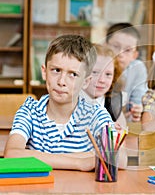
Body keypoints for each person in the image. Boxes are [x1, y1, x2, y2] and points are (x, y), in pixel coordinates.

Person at [4, 35, 126, 171]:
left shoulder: (95, 113)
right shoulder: (30, 110)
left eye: (73, 74)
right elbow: (12, 154)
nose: (61, 81)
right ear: (44, 72)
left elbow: (119, 159)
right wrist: (81, 162)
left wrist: (40, 157)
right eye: (56, 70)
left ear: (85, 81)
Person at [79, 44, 128, 168]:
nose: (102, 80)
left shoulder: (114, 106)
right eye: (95, 72)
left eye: (108, 74)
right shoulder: (69, 102)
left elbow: (122, 162)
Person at [105, 22, 148, 122]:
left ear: (135, 55)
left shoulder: (138, 68)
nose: (120, 54)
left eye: (128, 50)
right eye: (115, 46)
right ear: (105, 46)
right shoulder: (96, 67)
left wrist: (137, 111)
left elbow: (138, 100)